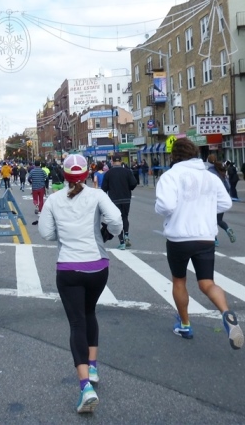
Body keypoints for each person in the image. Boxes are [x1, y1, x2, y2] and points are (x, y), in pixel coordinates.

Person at [38, 154, 123, 414]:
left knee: (77, 323)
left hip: (69, 268)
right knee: (90, 313)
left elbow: (46, 233)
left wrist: (63, 234)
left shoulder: (53, 200)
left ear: (64, 175)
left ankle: (85, 387)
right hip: (97, 266)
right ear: (87, 174)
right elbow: (116, 222)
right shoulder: (97, 195)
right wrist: (105, 232)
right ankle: (93, 367)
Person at [155, 138, 243, 350]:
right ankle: (226, 313)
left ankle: (185, 325)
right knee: (207, 283)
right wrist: (205, 210)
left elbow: (165, 206)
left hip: (179, 238)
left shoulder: (170, 176)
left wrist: (163, 209)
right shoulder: (210, 177)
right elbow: (226, 203)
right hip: (205, 237)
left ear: (174, 155)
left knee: (179, 281)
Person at [101, 153, 137, 250]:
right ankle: (126, 235)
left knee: (118, 219)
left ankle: (122, 242)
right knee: (125, 217)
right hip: (126, 198)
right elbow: (134, 183)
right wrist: (128, 188)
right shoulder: (127, 171)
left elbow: (104, 188)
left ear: (112, 161)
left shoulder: (108, 173)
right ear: (121, 161)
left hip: (114, 199)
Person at [207, 155, 236, 246]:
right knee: (219, 220)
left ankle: (214, 239)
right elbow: (228, 186)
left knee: (210, 220)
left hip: (211, 200)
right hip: (221, 200)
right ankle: (227, 229)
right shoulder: (221, 171)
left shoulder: (209, 172)